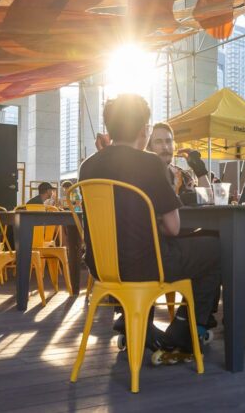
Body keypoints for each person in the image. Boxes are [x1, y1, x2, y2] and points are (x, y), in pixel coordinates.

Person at [78, 94, 220, 358]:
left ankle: (135, 322)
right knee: (214, 247)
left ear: (109, 126)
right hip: (144, 264)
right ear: (144, 129)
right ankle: (187, 329)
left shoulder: (87, 166)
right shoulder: (149, 163)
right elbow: (174, 228)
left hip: (101, 266)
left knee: (149, 246)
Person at [147, 122, 209, 205]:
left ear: (173, 145)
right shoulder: (142, 176)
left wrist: (200, 169)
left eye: (168, 141)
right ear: (149, 147)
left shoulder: (183, 176)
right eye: (158, 142)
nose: (165, 147)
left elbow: (206, 200)